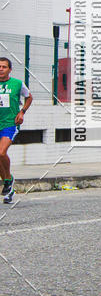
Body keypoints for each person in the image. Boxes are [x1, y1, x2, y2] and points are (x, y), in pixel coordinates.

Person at [0, 57, 32, 204]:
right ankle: (8, 184)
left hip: (9, 124)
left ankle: (7, 180)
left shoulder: (18, 84)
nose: (1, 69)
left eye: (4, 67)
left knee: (1, 152)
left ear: (10, 69)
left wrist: (22, 112)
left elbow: (29, 97)